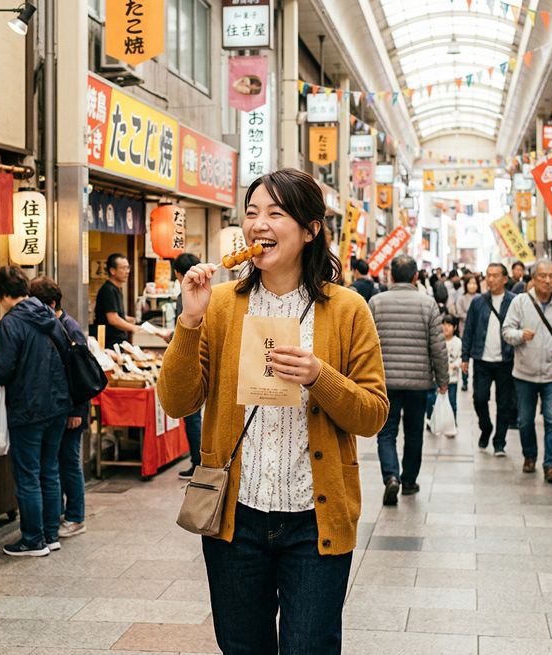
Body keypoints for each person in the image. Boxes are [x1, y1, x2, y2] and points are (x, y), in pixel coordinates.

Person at [158, 168, 388, 653]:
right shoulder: (220, 304)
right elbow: (178, 401)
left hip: (314, 519)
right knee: (243, 647)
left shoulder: (347, 310)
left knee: (309, 647)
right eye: (252, 213)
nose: (259, 225)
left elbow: (372, 415)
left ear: (310, 229)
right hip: (235, 519)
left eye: (276, 213)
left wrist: (318, 375)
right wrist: (190, 320)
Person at [0, 266, 73, 556]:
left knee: (28, 475)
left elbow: (4, 370)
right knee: (50, 470)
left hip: (28, 409)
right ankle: (50, 534)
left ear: (5, 295)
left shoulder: (10, 323)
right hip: (57, 405)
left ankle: (33, 540)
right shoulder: (49, 315)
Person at [368, 255, 448, 506]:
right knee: (414, 433)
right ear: (416, 276)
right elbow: (438, 346)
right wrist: (443, 378)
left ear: (391, 275)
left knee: (386, 432)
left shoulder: (376, 302)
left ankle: (391, 476)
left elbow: (366, 343)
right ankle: (410, 480)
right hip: (418, 382)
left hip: (385, 381)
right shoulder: (428, 304)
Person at [28, 276, 89, 539]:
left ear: (51, 303)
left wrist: (77, 411)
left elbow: (80, 373)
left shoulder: (68, 328)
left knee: (69, 462)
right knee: (58, 463)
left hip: (72, 408)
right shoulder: (53, 325)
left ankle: (76, 517)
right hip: (59, 407)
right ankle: (64, 511)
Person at [501, 260, 552, 482]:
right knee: (525, 420)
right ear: (533, 278)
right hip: (525, 372)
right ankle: (529, 456)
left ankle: (551, 464)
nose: (548, 280)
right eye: (542, 276)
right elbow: (506, 330)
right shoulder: (520, 302)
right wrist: (521, 335)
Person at [461, 263, 516, 456]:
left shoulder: (514, 301)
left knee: (504, 403)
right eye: (488, 276)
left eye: (495, 276)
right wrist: (465, 357)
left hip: (506, 360)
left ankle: (499, 441)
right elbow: (469, 330)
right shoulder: (478, 302)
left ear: (505, 279)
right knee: (480, 398)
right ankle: (486, 427)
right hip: (482, 359)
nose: (490, 279)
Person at [171, 253, 204, 480]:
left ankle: (198, 462)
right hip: (201, 357)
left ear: (177, 273)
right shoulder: (206, 292)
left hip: (192, 359)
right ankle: (199, 460)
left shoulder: (186, 294)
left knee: (192, 415)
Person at [93, 254, 140, 347]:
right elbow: (113, 319)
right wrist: (134, 328)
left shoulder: (116, 289)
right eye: (123, 268)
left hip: (117, 341)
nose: (127, 271)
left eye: (128, 268)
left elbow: (117, 314)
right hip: (110, 343)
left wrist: (131, 320)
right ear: (112, 271)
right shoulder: (108, 290)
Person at [452, 274, 479, 391]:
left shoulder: (481, 298)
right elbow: (460, 313)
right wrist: (472, 317)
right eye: (470, 283)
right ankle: (465, 380)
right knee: (465, 358)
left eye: (474, 283)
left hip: (478, 333)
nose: (472, 286)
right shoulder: (462, 298)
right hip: (465, 332)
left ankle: (476, 381)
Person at [439, 314, 461, 435]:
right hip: (439, 376)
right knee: (436, 400)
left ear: (455, 327)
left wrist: (454, 365)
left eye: (449, 325)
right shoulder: (438, 340)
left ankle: (452, 422)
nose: (445, 327)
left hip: (452, 378)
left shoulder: (457, 342)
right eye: (444, 324)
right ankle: (436, 420)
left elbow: (460, 358)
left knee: (452, 401)